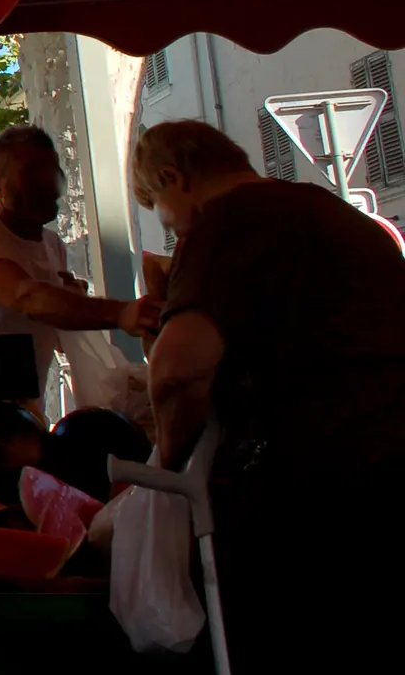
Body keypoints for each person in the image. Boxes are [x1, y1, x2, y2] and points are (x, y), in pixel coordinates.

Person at [134, 119, 403, 669]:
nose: (168, 225)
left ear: (172, 177)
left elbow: (178, 372)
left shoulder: (225, 222)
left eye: (156, 205)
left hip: (315, 495)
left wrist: (168, 463)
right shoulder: (334, 214)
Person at [0, 124, 158, 389]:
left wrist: (71, 303)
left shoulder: (52, 245)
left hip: (19, 406)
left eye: (53, 171)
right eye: (32, 173)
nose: (49, 184)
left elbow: (50, 329)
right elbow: (28, 298)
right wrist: (122, 313)